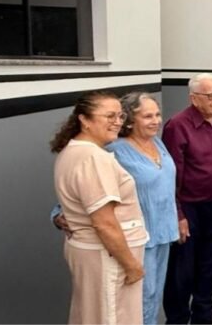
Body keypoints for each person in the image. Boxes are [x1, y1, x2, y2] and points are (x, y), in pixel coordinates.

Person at [51, 91, 147, 324]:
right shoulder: (93, 158)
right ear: (84, 120)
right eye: (109, 116)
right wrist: (132, 266)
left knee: (92, 315)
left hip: (93, 252)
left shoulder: (74, 151)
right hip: (108, 257)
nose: (117, 122)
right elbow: (104, 222)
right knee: (111, 317)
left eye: (121, 116)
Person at [162, 73, 212, 324]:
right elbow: (171, 177)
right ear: (194, 98)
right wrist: (178, 215)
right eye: (211, 95)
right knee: (182, 269)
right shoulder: (177, 126)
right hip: (188, 207)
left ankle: (204, 312)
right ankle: (178, 318)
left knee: (210, 261)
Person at [110, 92, 179, 325]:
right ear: (129, 119)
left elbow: (166, 184)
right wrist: (61, 212)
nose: (156, 121)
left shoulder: (156, 142)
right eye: (148, 116)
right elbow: (89, 182)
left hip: (164, 232)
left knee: (154, 295)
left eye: (157, 114)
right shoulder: (115, 150)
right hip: (138, 238)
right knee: (140, 298)